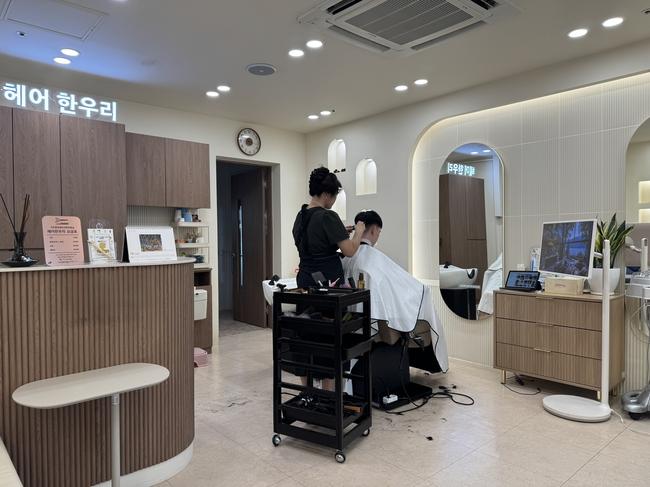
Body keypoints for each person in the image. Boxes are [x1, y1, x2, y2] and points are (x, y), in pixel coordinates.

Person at [343, 210, 449, 373]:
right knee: (423, 304)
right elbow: (410, 287)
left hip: (352, 323)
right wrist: (423, 290)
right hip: (378, 322)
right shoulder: (373, 259)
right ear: (374, 230)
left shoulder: (346, 258)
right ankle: (432, 362)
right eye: (379, 232)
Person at [293, 167, 365, 288]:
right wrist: (359, 232)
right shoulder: (327, 216)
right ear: (326, 194)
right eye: (335, 196)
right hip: (326, 281)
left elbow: (313, 242)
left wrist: (338, 233)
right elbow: (349, 251)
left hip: (304, 278)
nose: (335, 200)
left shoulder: (301, 215)